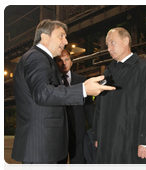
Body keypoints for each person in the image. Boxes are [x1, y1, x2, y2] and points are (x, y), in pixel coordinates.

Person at [11, 19, 115, 170]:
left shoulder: (42, 59)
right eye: (61, 36)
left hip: (45, 145)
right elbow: (42, 93)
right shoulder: (37, 57)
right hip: (41, 145)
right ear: (45, 37)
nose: (65, 41)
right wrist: (83, 90)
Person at [92, 27, 146, 170]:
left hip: (132, 140)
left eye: (112, 43)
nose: (109, 48)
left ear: (126, 40)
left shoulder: (144, 68)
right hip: (107, 140)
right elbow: (99, 106)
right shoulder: (108, 71)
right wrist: (97, 135)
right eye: (107, 44)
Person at [54, 49, 95, 170]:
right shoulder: (52, 82)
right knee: (58, 165)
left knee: (78, 164)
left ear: (72, 62)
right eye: (59, 60)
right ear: (55, 63)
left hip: (78, 131)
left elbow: (89, 107)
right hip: (59, 132)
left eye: (66, 59)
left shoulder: (82, 80)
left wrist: (94, 130)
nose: (63, 63)